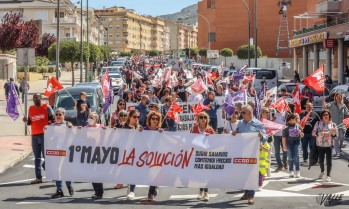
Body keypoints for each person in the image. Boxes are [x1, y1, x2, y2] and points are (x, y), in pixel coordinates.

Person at [232, 105, 267, 205]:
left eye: (243, 112)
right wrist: (234, 133)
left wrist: (261, 136)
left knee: (252, 174)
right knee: (244, 174)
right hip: (242, 152)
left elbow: (265, 137)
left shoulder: (258, 123)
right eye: (241, 112)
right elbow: (238, 134)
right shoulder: (240, 123)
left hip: (253, 153)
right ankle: (246, 192)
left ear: (249, 113)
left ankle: (251, 195)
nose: (241, 114)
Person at [23, 93, 55, 184]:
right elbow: (29, 122)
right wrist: (26, 120)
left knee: (47, 156)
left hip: (45, 135)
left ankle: (52, 175)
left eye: (37, 97)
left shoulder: (47, 107)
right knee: (37, 157)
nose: (36, 99)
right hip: (34, 136)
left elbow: (53, 119)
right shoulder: (31, 109)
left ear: (41, 98)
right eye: (34, 98)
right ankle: (38, 177)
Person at [49, 108, 74, 198]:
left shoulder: (68, 124)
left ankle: (69, 184)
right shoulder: (51, 126)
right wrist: (45, 130)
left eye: (60, 114)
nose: (58, 116)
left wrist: (71, 128)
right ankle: (59, 190)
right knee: (57, 171)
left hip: (66, 151)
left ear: (64, 116)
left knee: (65, 170)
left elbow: (73, 134)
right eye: (57, 114)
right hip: (56, 152)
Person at [190, 112, 215, 201]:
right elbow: (190, 140)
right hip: (196, 154)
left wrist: (210, 138)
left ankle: (206, 192)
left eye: (205, 117)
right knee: (199, 174)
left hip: (206, 155)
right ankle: (201, 191)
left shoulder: (210, 130)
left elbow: (215, 142)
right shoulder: (194, 128)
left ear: (207, 119)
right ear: (198, 119)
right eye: (201, 117)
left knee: (206, 174)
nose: (203, 119)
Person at [141, 111, 164, 200]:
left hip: (156, 156)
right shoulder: (144, 129)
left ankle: (151, 193)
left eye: (156, 119)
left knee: (153, 174)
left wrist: (163, 134)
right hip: (145, 155)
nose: (155, 120)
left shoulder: (160, 131)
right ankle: (154, 190)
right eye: (153, 118)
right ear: (149, 120)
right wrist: (139, 132)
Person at [84, 112, 106, 200]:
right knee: (92, 173)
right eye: (89, 117)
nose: (90, 119)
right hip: (89, 153)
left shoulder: (101, 127)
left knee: (97, 172)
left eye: (92, 117)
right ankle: (96, 191)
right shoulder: (85, 129)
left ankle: (99, 192)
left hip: (100, 153)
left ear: (96, 119)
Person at [312, 110, 338, 182]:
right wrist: (320, 133)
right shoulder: (318, 123)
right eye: (324, 114)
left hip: (329, 145)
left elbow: (336, 136)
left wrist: (332, 133)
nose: (325, 116)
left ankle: (328, 175)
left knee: (329, 161)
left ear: (329, 116)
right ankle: (322, 171)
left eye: (327, 114)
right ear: (321, 116)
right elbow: (313, 133)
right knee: (321, 161)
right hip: (320, 145)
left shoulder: (333, 125)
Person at [282, 113, 304, 178]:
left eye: (297, 119)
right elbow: (284, 137)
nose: (296, 120)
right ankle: (291, 171)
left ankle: (297, 171)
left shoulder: (298, 126)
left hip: (296, 143)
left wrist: (300, 132)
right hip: (289, 143)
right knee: (290, 158)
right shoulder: (286, 127)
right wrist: (284, 146)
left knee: (296, 157)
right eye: (295, 119)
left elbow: (302, 135)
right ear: (291, 119)